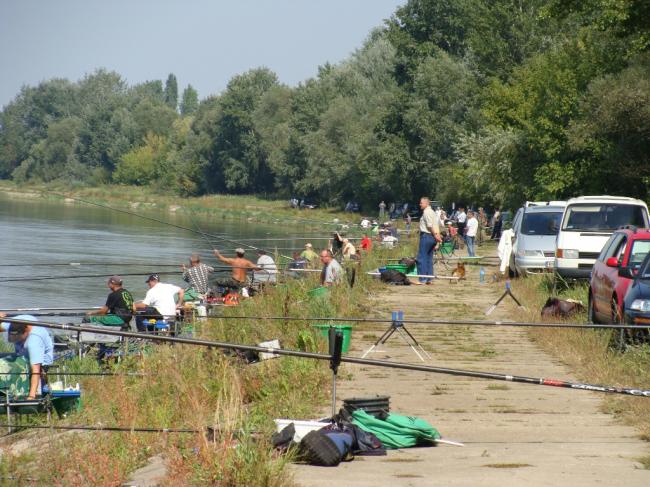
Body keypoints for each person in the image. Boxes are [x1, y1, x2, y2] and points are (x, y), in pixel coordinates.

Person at [7, 318, 53, 400]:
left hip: (36, 365)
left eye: (18, 337)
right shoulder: (12, 325)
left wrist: (31, 397)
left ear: (26, 331)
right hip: (21, 357)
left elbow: (36, 370)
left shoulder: (34, 342)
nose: (15, 339)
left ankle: (30, 394)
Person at [417, 197, 442, 284]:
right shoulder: (433, 212)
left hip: (427, 236)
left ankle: (423, 278)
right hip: (432, 237)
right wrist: (437, 237)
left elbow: (430, 226)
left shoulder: (426, 212)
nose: (420, 204)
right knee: (429, 258)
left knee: (421, 258)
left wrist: (435, 235)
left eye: (421, 203)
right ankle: (429, 278)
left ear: (427, 203)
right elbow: (436, 225)